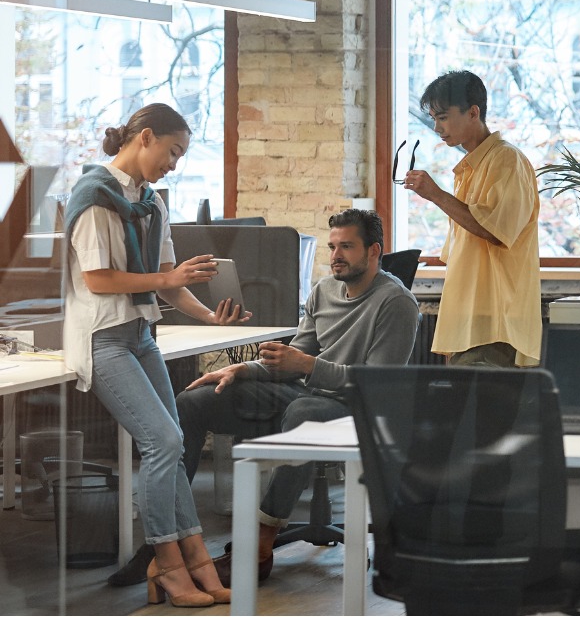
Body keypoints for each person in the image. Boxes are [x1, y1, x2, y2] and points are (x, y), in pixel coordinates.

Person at [63, 103, 249, 607]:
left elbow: (168, 280)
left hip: (141, 335)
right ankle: (166, 564)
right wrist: (168, 279)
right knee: (164, 440)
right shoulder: (94, 196)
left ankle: (196, 559)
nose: (175, 163)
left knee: (174, 441)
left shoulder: (150, 202)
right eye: (173, 152)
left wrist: (209, 316)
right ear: (145, 137)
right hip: (102, 338)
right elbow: (99, 281)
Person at [174, 208, 419, 583]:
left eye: (347, 247)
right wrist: (242, 370)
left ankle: (260, 541)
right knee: (193, 401)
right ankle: (174, 539)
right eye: (333, 246)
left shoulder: (396, 303)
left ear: (373, 251)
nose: (336, 255)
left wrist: (306, 365)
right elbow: (292, 360)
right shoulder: (324, 290)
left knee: (303, 413)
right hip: (303, 392)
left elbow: (378, 383)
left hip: (357, 406)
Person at [401, 70, 541, 368]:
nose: (437, 127)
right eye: (434, 118)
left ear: (473, 112)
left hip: (494, 319)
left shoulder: (506, 160)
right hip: (470, 319)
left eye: (443, 117)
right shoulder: (470, 167)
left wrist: (436, 195)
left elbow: (495, 230)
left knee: (480, 412)